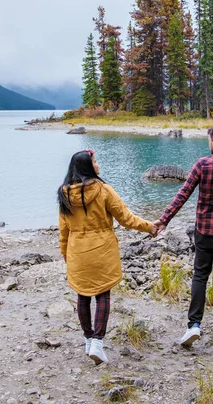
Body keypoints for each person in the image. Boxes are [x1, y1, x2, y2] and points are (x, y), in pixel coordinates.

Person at [153, 124, 213, 346]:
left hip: (206, 231)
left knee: (200, 276)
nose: (209, 143)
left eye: (209, 140)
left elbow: (183, 195)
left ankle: (194, 325)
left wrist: (164, 220)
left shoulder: (202, 164)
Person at [58, 149, 156, 365]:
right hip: (102, 251)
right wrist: (149, 226)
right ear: (88, 167)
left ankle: (87, 339)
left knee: (83, 295)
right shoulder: (104, 191)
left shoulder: (64, 194)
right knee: (102, 294)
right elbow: (126, 218)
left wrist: (65, 253)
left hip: (78, 252)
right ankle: (97, 343)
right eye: (95, 161)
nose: (98, 164)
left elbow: (63, 230)